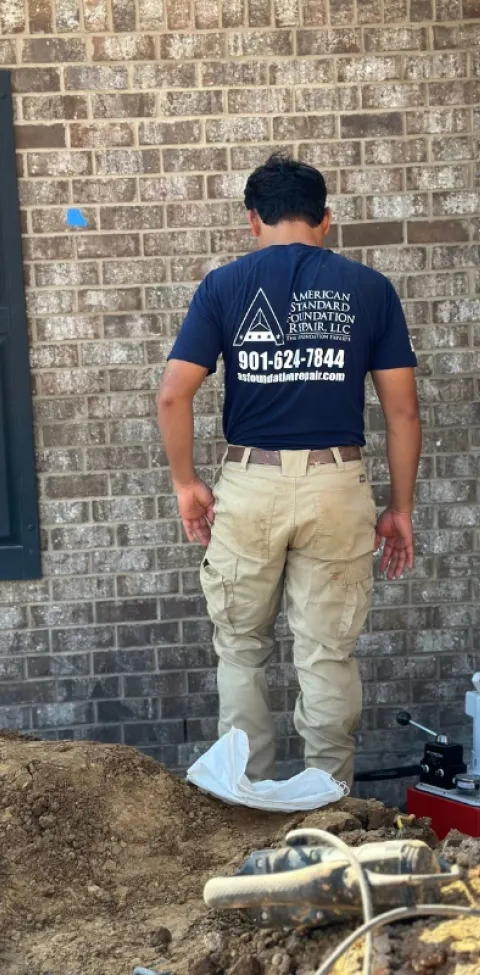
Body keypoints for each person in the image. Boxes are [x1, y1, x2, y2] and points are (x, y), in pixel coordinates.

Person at [157, 154, 421, 787]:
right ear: (325, 219)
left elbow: (172, 395)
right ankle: (329, 807)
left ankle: (242, 805)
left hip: (250, 484)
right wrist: (400, 507)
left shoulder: (223, 286)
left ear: (253, 220)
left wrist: (186, 483)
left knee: (241, 649)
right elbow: (403, 411)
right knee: (327, 653)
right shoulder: (370, 289)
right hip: (338, 485)